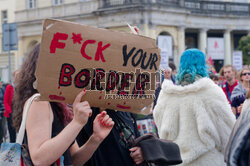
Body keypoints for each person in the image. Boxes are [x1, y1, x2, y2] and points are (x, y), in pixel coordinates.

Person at [12, 43, 115, 166]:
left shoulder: (59, 105)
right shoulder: (40, 102)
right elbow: (39, 159)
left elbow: (74, 159)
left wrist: (96, 138)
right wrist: (77, 122)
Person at [153, 49, 235, 166]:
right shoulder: (210, 91)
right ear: (203, 65)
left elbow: (160, 127)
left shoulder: (166, 94)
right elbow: (228, 132)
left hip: (174, 160)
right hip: (207, 160)